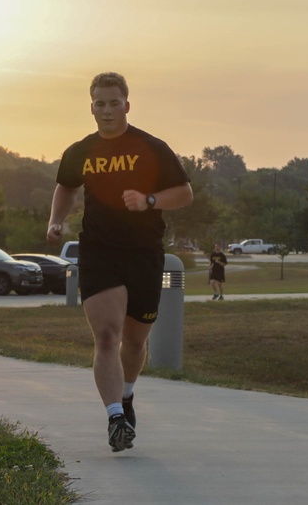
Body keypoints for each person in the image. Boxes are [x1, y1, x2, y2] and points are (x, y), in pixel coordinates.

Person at [46, 71, 194, 453]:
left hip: (144, 253)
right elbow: (66, 186)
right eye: (100, 103)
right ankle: (115, 417)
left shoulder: (151, 147)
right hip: (99, 252)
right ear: (91, 107)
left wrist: (149, 201)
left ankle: (126, 395)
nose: (107, 110)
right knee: (108, 336)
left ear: (127, 105)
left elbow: (184, 193)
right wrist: (56, 220)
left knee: (135, 341)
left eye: (114, 103)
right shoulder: (80, 151)